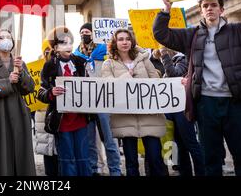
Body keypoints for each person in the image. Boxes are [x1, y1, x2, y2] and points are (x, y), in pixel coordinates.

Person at [153, 0, 241, 176]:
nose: (209, 8)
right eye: (205, 6)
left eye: (214, 5)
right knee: (210, 158)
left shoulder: (237, 31)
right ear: (201, 11)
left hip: (235, 102)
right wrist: (166, 9)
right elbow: (161, 34)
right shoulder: (192, 35)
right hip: (206, 103)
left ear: (222, 10)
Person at [101, 29, 166, 176]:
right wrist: (126, 76)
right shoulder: (108, 64)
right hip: (125, 119)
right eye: (121, 39)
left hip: (149, 117)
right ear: (115, 43)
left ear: (132, 41)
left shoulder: (144, 60)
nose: (125, 42)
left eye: (127, 39)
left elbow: (156, 80)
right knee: (131, 163)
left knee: (155, 159)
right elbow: (109, 86)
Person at [0, 29, 36, 176]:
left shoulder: (19, 62)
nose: (6, 39)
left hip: (18, 113)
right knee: (1, 154)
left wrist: (22, 72)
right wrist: (7, 82)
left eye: (8, 37)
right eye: (2, 37)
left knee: (21, 153)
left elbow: (29, 88)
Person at [38, 26, 91, 176]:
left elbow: (90, 86)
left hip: (81, 118)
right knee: (67, 159)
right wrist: (51, 92)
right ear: (55, 47)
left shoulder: (81, 62)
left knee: (83, 158)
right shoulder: (49, 66)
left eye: (70, 42)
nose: (68, 46)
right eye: (63, 43)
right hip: (62, 121)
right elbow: (41, 93)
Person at [74, 23, 122, 176]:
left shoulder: (105, 51)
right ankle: (95, 169)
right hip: (87, 101)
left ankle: (115, 169)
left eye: (87, 31)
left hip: (103, 99)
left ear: (94, 33)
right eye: (82, 32)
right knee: (90, 140)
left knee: (109, 138)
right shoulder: (76, 54)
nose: (84, 34)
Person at [159, 47, 205, 176]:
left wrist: (164, 55)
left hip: (182, 110)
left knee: (191, 144)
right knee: (180, 146)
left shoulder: (182, 59)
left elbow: (173, 74)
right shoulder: (172, 60)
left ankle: (201, 172)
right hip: (173, 110)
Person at [34, 39, 58, 176]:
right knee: (47, 149)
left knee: (58, 151)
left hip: (56, 113)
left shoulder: (60, 65)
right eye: (46, 50)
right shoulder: (38, 66)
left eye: (51, 49)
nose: (49, 53)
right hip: (42, 113)